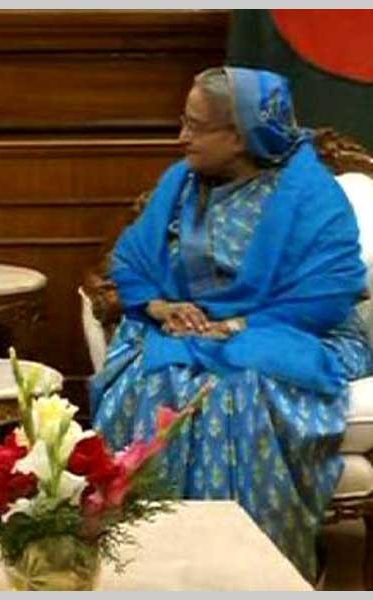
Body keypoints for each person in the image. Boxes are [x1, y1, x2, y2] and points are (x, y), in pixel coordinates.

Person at [90, 66, 372, 582]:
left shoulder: (310, 195)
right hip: (180, 331)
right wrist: (161, 308)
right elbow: (130, 263)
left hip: (292, 331)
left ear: (240, 135)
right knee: (159, 379)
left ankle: (254, 572)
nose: (182, 137)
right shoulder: (179, 184)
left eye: (196, 126)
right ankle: (148, 569)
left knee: (237, 389)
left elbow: (329, 295)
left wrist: (237, 325)